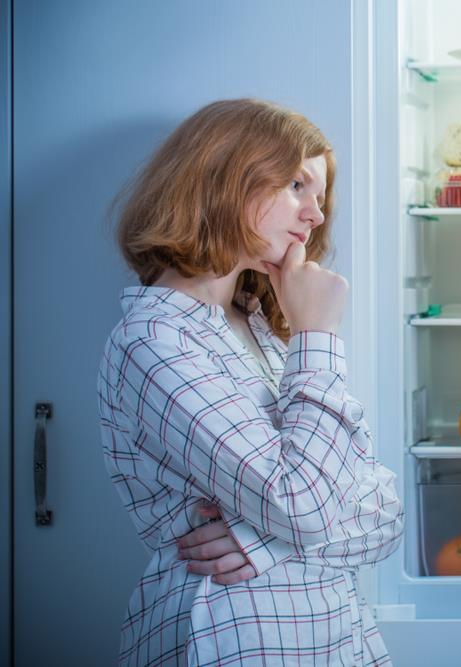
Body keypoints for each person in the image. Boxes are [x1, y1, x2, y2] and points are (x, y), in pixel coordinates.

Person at [97, 98, 404, 666]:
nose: (314, 215)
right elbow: (307, 504)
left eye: (320, 195)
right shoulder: (156, 341)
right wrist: (318, 333)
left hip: (333, 638)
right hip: (235, 641)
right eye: (295, 184)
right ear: (223, 177)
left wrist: (257, 541)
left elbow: (387, 514)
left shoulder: (260, 328)